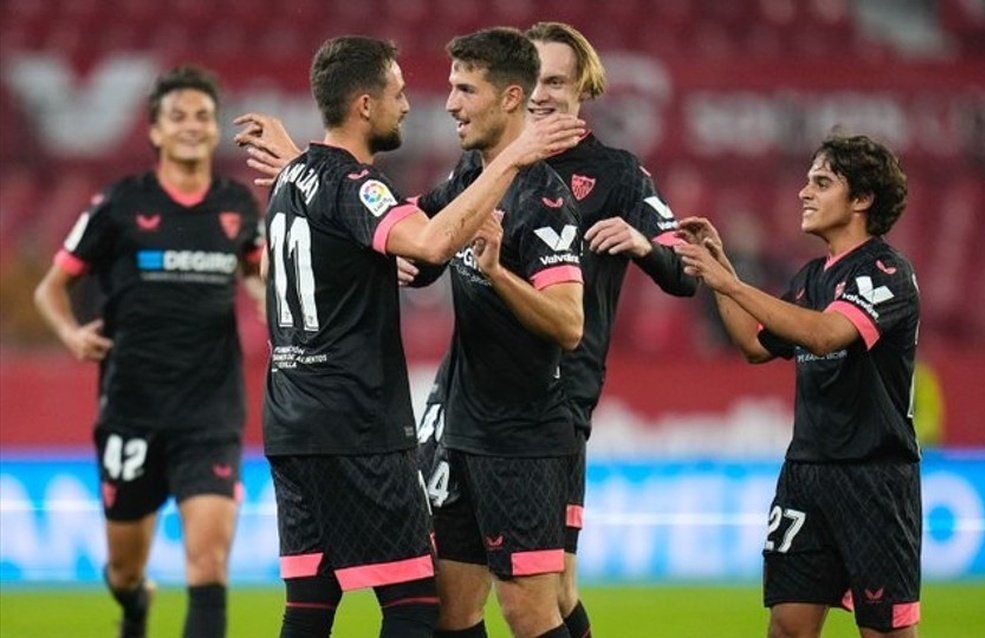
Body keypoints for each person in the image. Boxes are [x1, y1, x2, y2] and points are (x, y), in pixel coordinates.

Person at [234, 23, 698, 638]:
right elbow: (405, 237)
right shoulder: (470, 179)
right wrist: (308, 165)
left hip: (532, 418)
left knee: (536, 602)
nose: (445, 102)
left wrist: (628, 248)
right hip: (455, 418)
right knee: (447, 606)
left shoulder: (588, 182)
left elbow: (574, 320)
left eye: (554, 81)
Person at [256, 35, 584, 638]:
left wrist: (300, 168)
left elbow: (569, 323)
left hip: (294, 421)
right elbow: (428, 241)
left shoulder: (293, 180)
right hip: (359, 426)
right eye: (399, 93)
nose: (420, 105)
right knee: (413, 604)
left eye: (463, 89)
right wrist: (512, 160)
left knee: (311, 602)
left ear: (508, 98)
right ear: (363, 105)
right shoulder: (364, 185)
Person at [33, 65, 264, 638]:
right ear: (156, 133)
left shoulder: (237, 205)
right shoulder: (119, 204)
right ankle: (135, 606)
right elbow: (50, 288)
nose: (192, 126)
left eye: (203, 116)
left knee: (208, 564)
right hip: (132, 409)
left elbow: (257, 273)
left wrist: (269, 301)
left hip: (211, 413)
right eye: (178, 117)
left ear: (215, 131)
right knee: (123, 569)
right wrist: (71, 334)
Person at [674, 134, 921, 638]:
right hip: (806, 474)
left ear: (862, 200)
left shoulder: (886, 271)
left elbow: (828, 335)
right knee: (787, 627)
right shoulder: (811, 278)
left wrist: (733, 285)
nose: (804, 192)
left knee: (885, 632)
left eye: (822, 182)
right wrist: (722, 268)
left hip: (873, 478)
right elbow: (753, 344)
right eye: (808, 180)